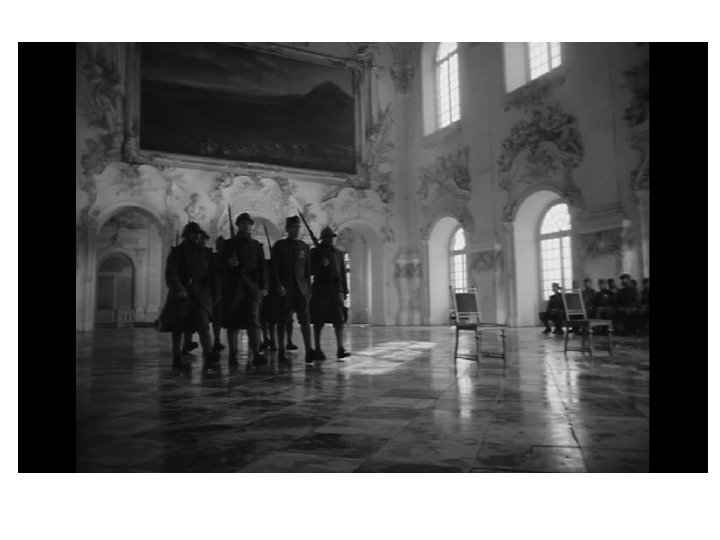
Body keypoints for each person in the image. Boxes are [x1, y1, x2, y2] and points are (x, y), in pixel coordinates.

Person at [159, 222, 220, 370]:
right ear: (187, 235)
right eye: (193, 233)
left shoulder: (205, 253)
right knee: (178, 327)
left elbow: (212, 274)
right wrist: (179, 288)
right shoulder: (178, 252)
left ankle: (208, 354)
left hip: (200, 295)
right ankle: (176, 356)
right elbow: (172, 272)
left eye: (198, 233)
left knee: (203, 325)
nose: (196, 236)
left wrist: (213, 292)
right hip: (183, 295)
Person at [221, 213, 267, 367]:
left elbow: (262, 267)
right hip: (234, 287)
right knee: (232, 322)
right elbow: (219, 264)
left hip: (251, 287)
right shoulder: (229, 244)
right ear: (238, 225)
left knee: (254, 320)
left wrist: (264, 286)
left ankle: (256, 353)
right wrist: (229, 263)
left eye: (248, 223)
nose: (246, 226)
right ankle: (232, 354)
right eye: (243, 223)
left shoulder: (256, 245)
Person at [271, 215, 317, 364]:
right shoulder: (279, 246)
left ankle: (309, 350)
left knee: (305, 320)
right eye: (293, 227)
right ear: (287, 228)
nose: (296, 229)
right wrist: (279, 285)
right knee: (282, 321)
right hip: (285, 289)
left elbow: (307, 271)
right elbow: (274, 269)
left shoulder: (305, 247)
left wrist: (308, 291)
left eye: (298, 227)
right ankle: (281, 351)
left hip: (301, 290)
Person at [310, 227, 351, 360]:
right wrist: (320, 264)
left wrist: (344, 291)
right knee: (318, 321)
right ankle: (317, 349)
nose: (330, 239)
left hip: (336, 289)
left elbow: (342, 273)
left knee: (339, 320)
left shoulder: (338, 253)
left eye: (331, 237)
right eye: (327, 237)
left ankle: (340, 348)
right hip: (321, 290)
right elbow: (310, 270)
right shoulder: (315, 252)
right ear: (323, 238)